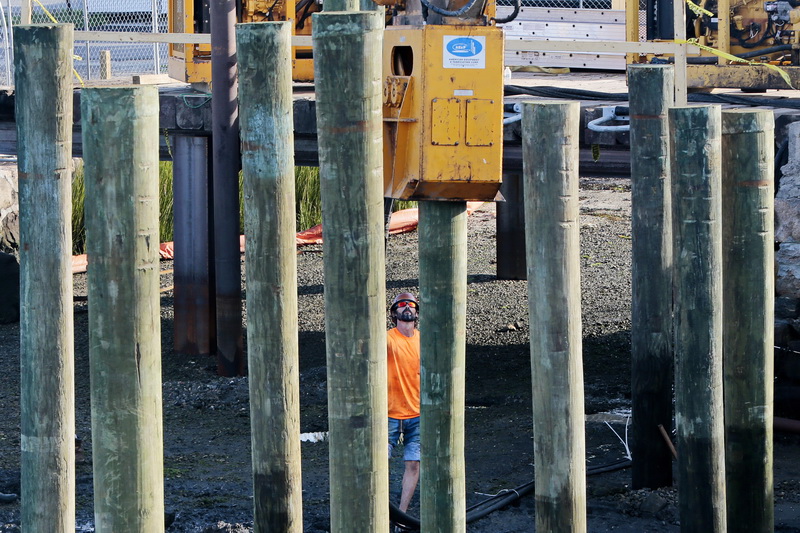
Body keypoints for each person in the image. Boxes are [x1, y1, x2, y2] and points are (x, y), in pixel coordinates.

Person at [387, 292, 421, 513]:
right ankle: (380, 508)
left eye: (410, 304)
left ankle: (402, 513)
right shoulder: (387, 339)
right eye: (401, 304)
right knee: (379, 463)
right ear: (394, 313)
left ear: (417, 312)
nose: (406, 307)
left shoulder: (423, 340)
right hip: (388, 414)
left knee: (413, 464)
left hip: (418, 415)